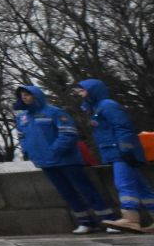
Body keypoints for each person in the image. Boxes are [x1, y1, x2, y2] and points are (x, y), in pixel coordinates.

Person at [15, 84, 112, 233]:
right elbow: (22, 137)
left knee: (85, 189)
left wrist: (54, 150)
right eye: (22, 96)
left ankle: (109, 220)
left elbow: (68, 133)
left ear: (36, 95)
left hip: (66, 160)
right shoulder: (22, 118)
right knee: (66, 192)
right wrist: (29, 151)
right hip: (45, 161)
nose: (24, 97)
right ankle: (85, 221)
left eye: (27, 94)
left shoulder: (54, 112)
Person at [78, 79, 152, 231]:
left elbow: (123, 127)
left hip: (120, 151)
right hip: (115, 151)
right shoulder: (95, 108)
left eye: (83, 90)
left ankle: (130, 218)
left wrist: (126, 149)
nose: (80, 93)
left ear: (93, 91)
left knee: (123, 184)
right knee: (141, 187)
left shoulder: (107, 105)